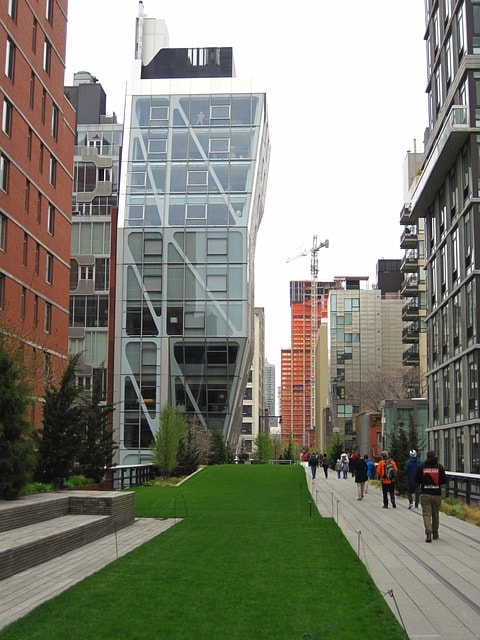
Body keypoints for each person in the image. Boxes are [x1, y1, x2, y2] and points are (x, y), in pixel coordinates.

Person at [414, 450, 446, 542]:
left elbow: (416, 479)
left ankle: (428, 532)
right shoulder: (439, 467)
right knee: (435, 514)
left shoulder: (422, 467)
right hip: (436, 494)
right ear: (435, 456)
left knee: (426, 514)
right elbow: (443, 480)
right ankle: (435, 532)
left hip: (425, 494)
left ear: (427, 457)